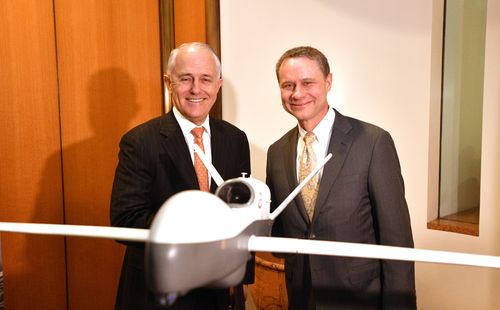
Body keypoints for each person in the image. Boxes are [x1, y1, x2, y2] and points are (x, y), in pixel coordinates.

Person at [266, 46, 416, 309]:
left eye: (307, 83)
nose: (297, 93)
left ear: (328, 81)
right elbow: (279, 235)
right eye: (287, 85)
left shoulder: (373, 143)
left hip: (360, 300)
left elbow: (397, 241)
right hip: (302, 299)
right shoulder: (276, 152)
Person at [110, 42, 252, 310]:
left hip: (220, 291)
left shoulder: (235, 139)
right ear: (169, 83)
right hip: (158, 291)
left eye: (205, 79)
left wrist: (242, 279)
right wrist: (197, 228)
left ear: (218, 85)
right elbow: (124, 220)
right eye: (185, 79)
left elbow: (241, 211)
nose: (196, 89)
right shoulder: (139, 141)